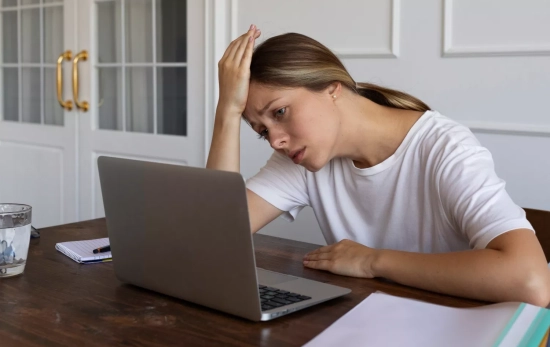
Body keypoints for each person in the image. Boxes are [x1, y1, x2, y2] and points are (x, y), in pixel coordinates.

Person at [206, 24, 550, 306]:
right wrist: (227, 112)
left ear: (331, 88)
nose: (276, 139)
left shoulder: (445, 148)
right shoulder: (300, 159)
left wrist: (373, 261)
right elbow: (213, 236)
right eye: (262, 131)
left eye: (280, 112)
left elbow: (531, 281)